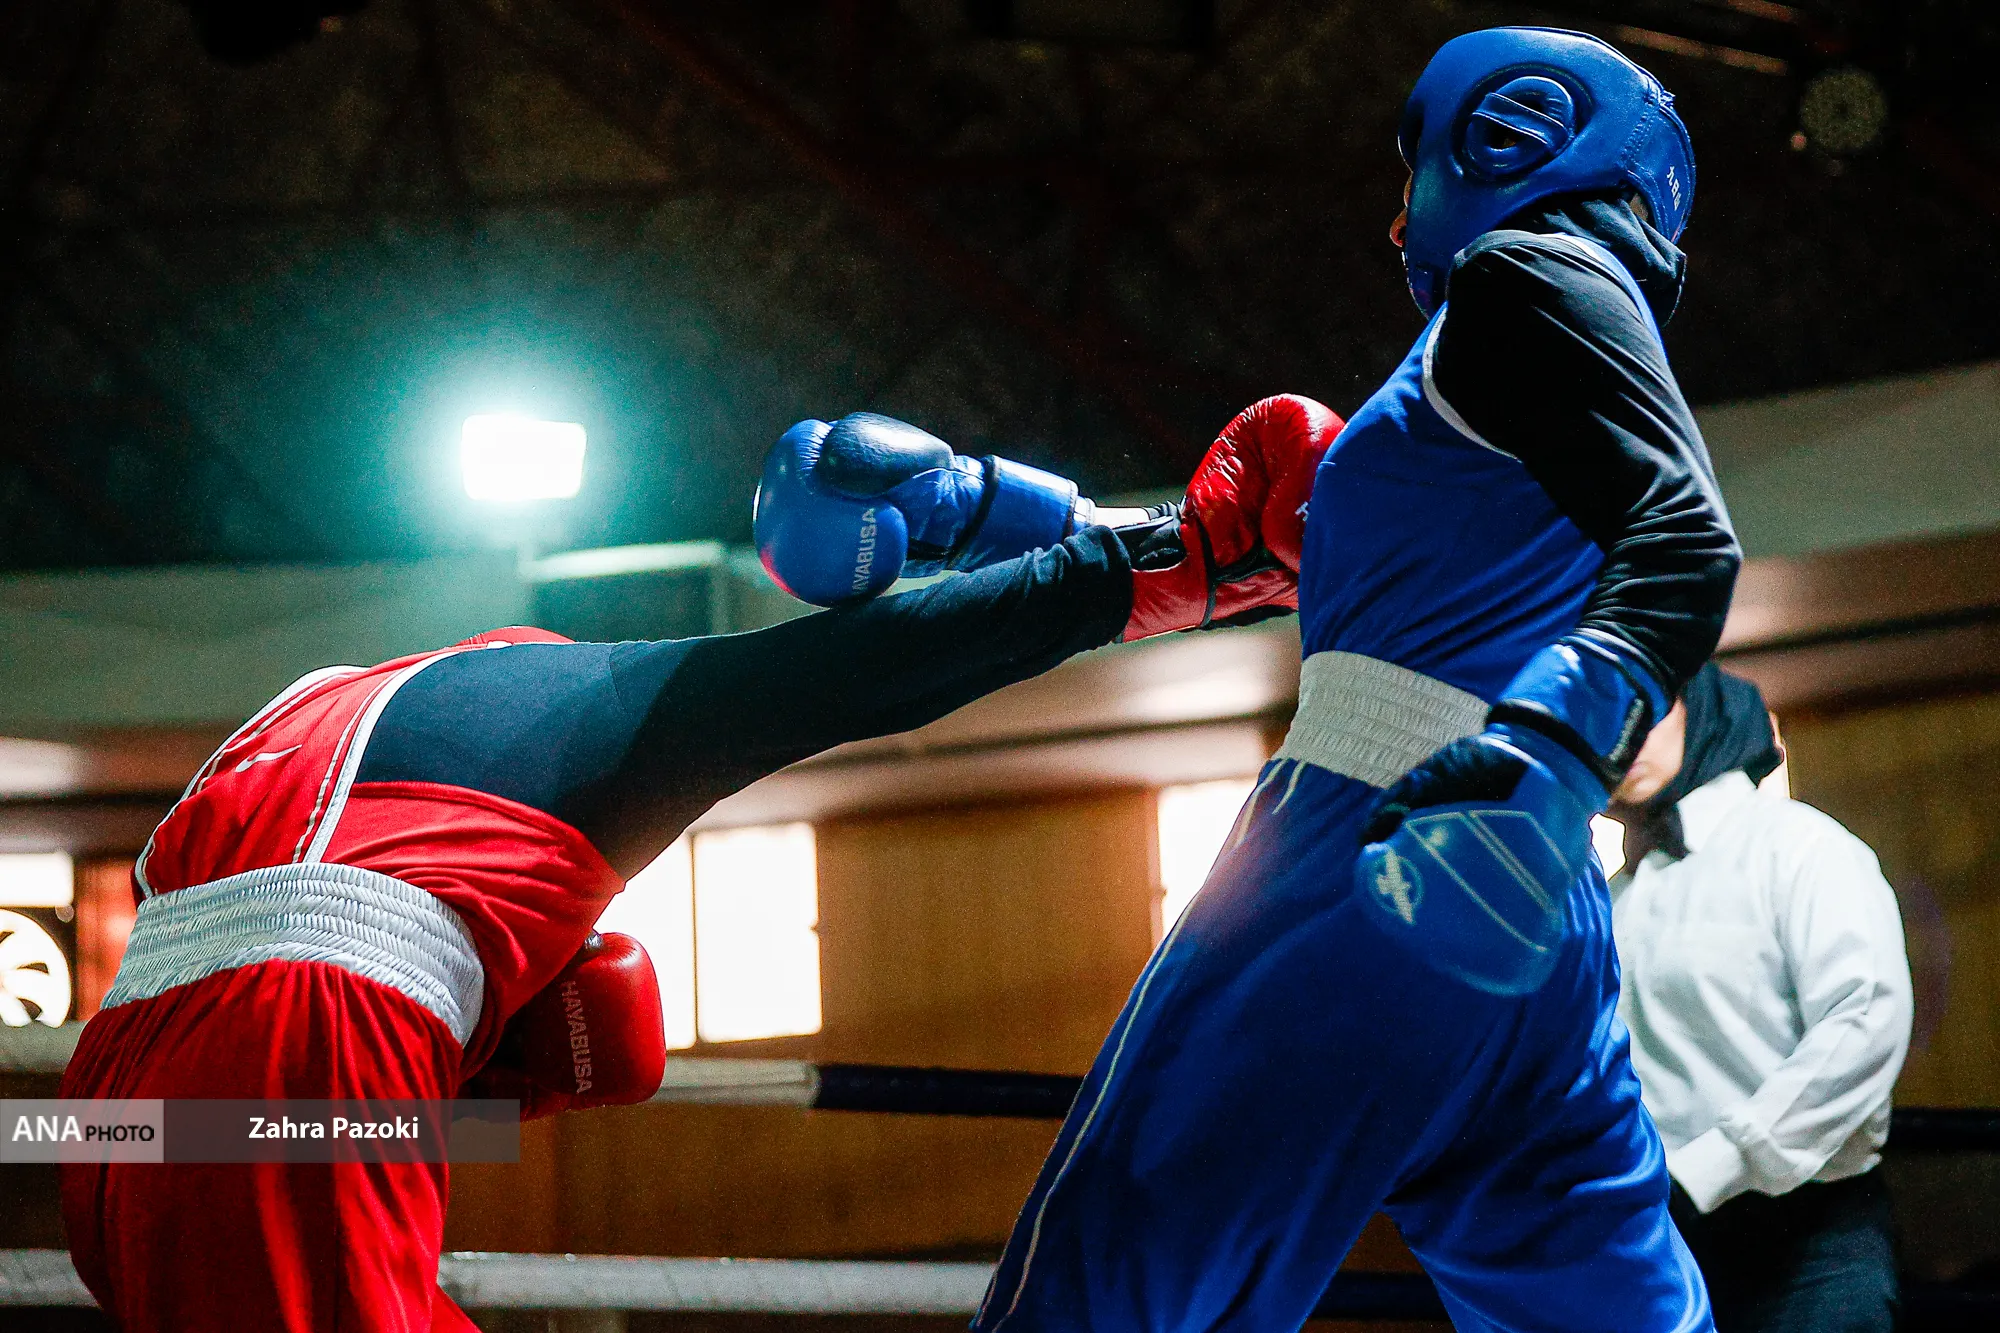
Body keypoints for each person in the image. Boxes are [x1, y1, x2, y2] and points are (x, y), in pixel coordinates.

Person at [772, 26, 1739, 1333]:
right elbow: (1214, 561)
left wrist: (1547, 754)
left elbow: (1687, 536)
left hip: (1368, 850)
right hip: (1534, 917)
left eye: (1410, 174)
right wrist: (976, 508)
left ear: (1508, 134)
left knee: (1101, 1297)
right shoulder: (1493, 411)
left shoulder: (1525, 274)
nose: (1395, 224)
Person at [59, 404, 1337, 1333]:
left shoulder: (305, 723)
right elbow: (848, 673)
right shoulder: (566, 708)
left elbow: (243, 1070)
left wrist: (472, 1076)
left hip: (110, 1106)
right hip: (300, 1052)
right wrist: (1173, 560)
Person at [1609, 664, 1913, 1332]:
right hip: (1660, 1247)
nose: (1624, 732)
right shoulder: (1611, 899)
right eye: (1606, 711)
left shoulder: (1799, 843)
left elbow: (1864, 1020)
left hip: (1809, 1239)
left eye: (1651, 705)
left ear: (1705, 709)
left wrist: (1714, 1165)